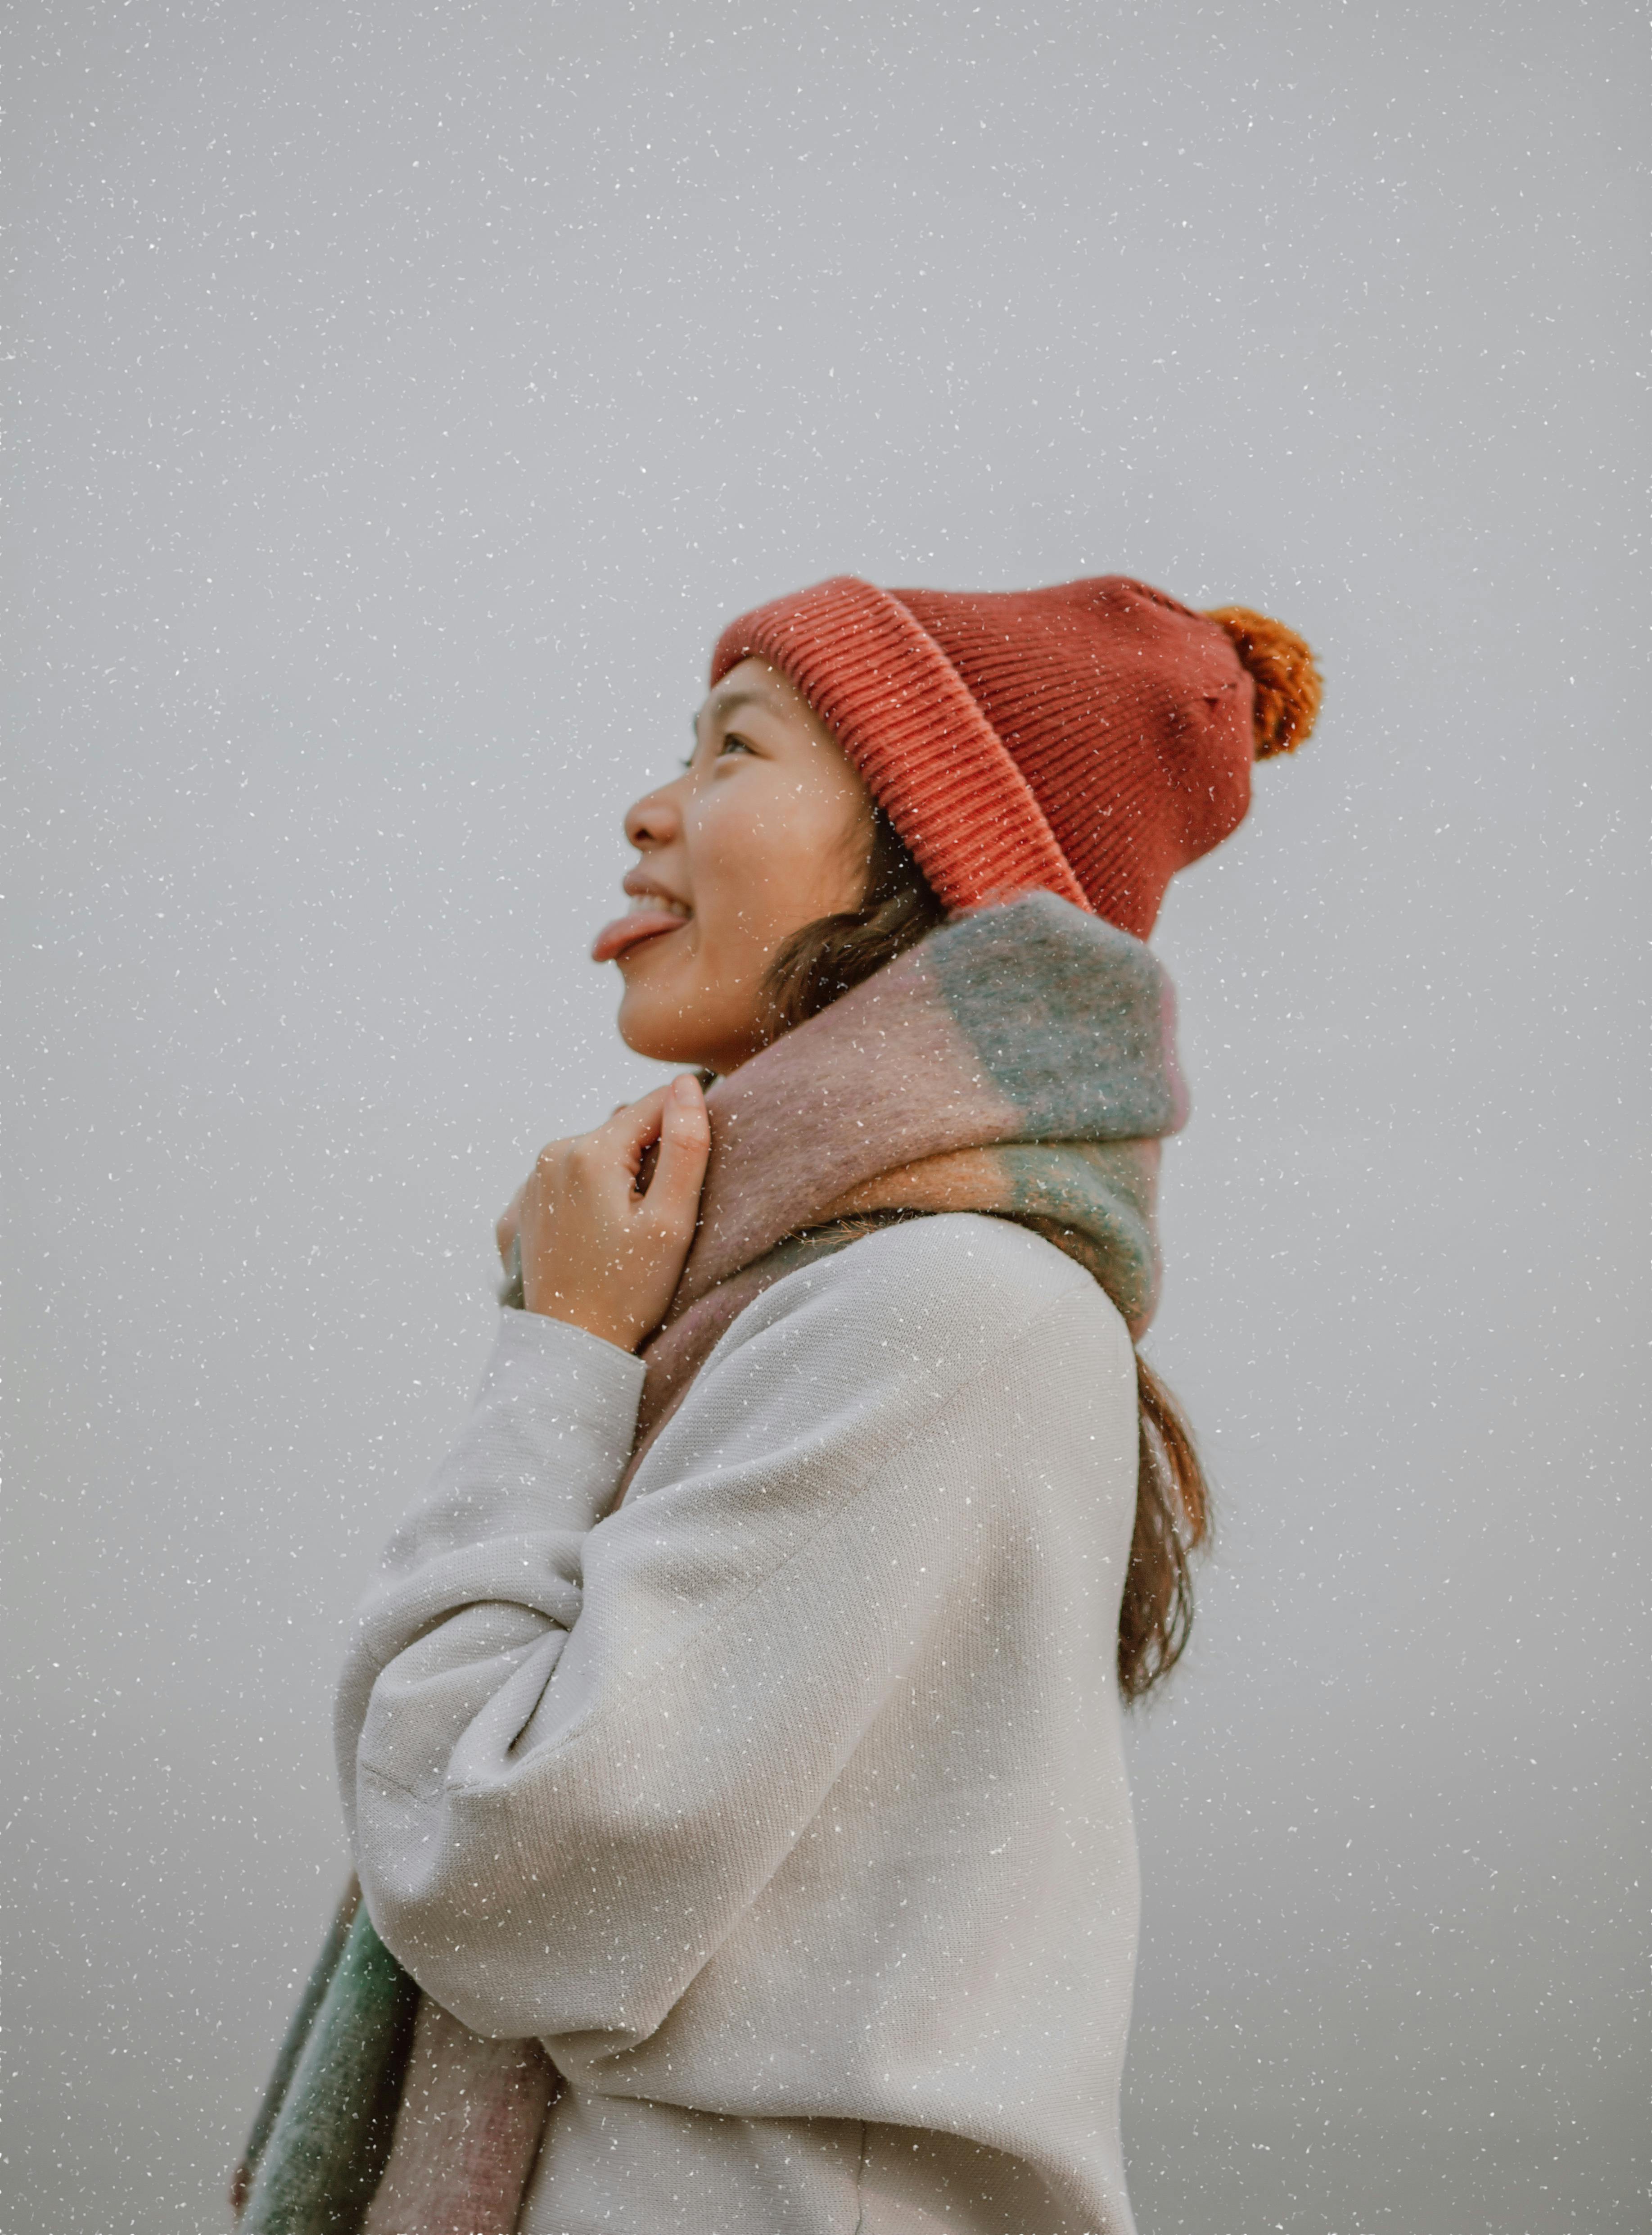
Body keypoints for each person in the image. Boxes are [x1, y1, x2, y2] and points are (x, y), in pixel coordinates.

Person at [237, 572, 1319, 2235]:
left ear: (929, 846)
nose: (649, 809)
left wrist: (564, 1353)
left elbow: (490, 1868)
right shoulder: (855, 1302)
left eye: (733, 748)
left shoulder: (947, 1306)